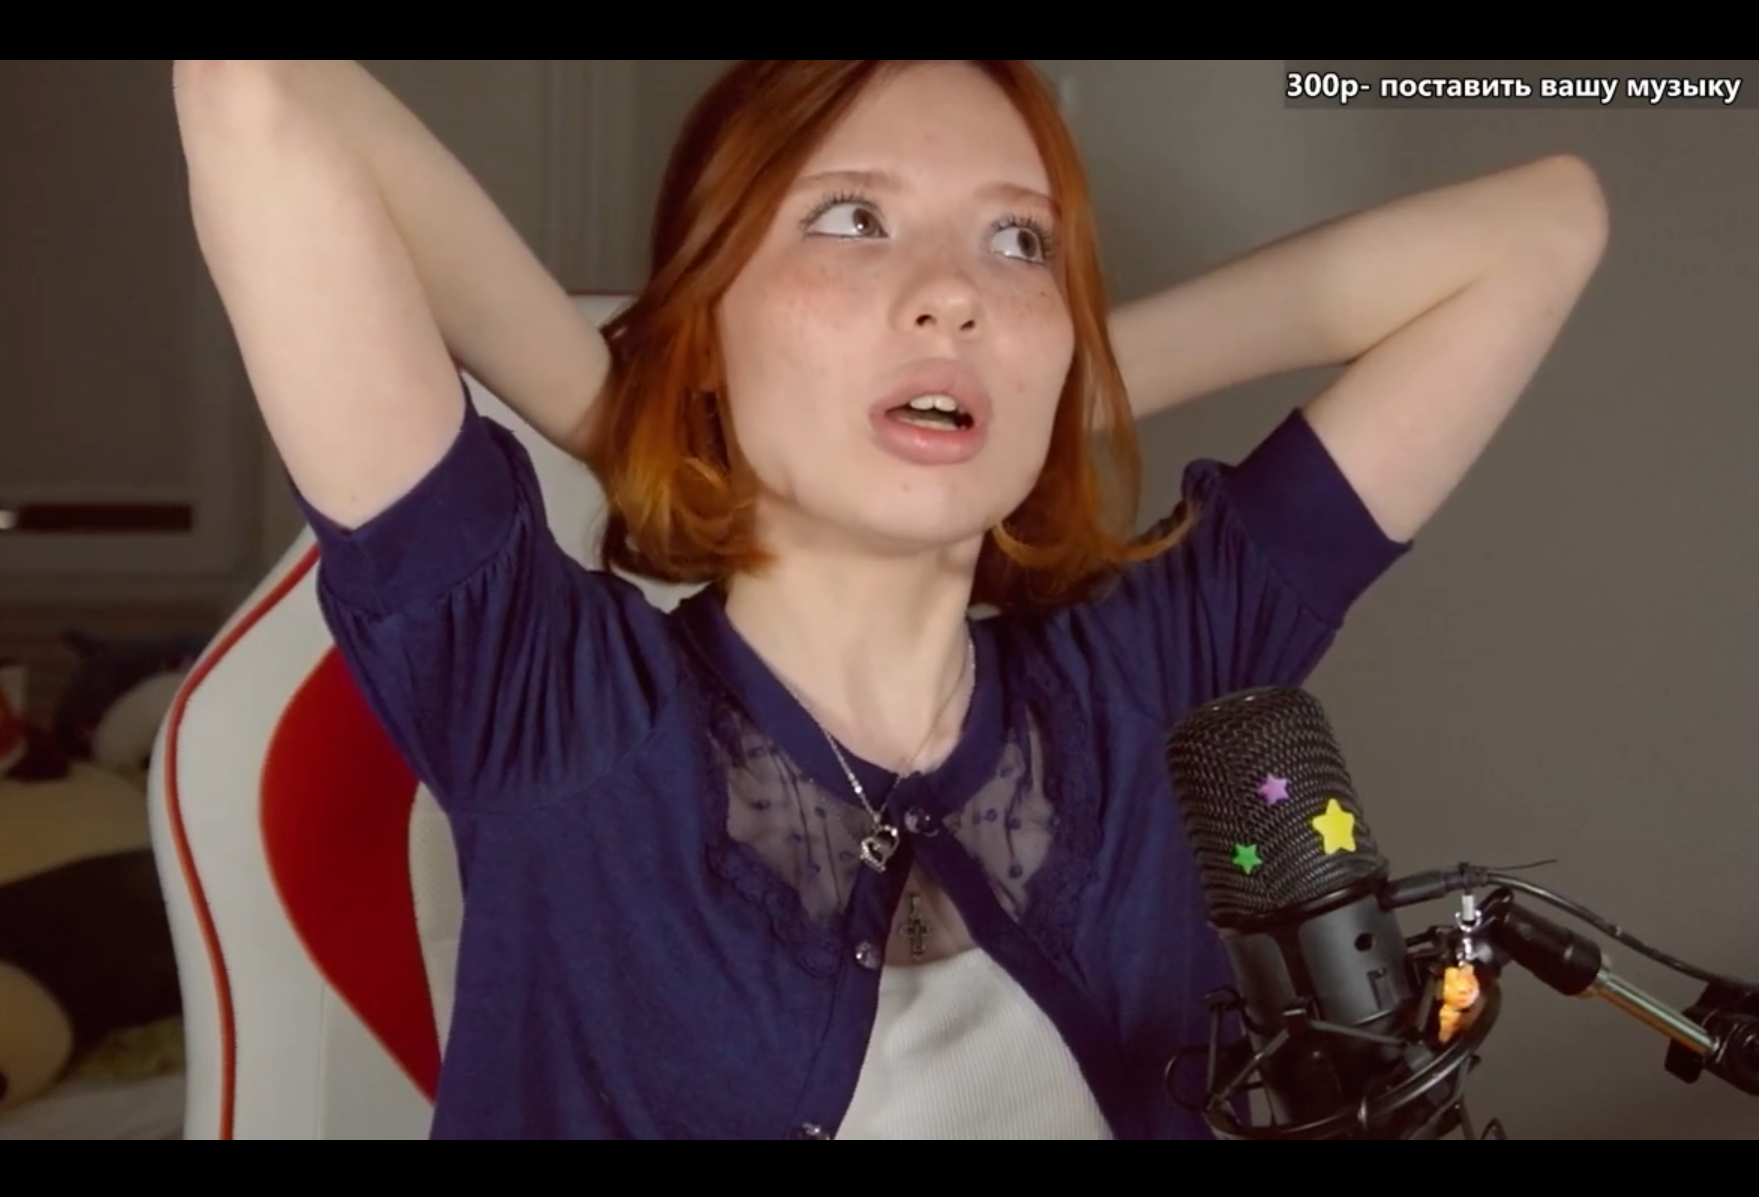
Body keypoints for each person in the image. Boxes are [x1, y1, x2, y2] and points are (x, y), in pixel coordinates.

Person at [172, 60, 1608, 1139]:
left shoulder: (1153, 672)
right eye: (853, 218)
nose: (954, 295)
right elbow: (258, 89)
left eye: (1018, 245)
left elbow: (1544, 228)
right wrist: (630, 404)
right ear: (709, 324)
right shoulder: (553, 705)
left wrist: (1058, 392)